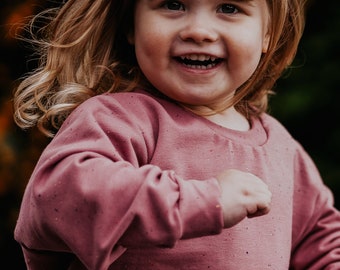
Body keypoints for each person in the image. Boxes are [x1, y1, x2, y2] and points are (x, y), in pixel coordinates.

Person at [12, 0, 340, 269]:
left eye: (229, 8)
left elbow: (322, 242)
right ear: (131, 26)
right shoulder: (118, 120)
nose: (198, 31)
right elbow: (59, 198)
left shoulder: (281, 147)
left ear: (268, 33)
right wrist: (201, 202)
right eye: (173, 4)